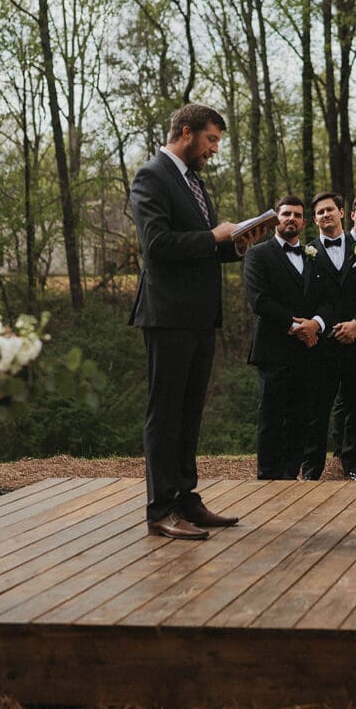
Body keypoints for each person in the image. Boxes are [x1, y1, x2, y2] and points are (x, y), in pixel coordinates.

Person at [129, 102, 260, 540]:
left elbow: (203, 249)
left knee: (189, 413)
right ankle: (161, 508)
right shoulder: (151, 176)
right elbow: (157, 245)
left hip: (201, 316)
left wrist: (236, 244)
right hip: (167, 315)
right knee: (165, 413)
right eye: (211, 139)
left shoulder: (194, 181)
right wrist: (212, 236)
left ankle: (186, 498)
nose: (214, 149)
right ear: (186, 132)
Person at [301, 192, 356, 481]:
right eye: (320, 212)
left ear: (342, 213)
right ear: (315, 219)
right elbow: (307, 297)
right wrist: (325, 325)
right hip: (322, 343)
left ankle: (353, 464)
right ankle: (312, 468)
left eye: (330, 209)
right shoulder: (307, 253)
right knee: (317, 407)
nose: (326, 215)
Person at [243, 195, 322, 479]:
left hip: (308, 349)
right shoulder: (258, 254)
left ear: (304, 222)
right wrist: (294, 325)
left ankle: (290, 475)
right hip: (273, 349)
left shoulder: (314, 254)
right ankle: (268, 476)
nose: (291, 219)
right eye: (286, 214)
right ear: (276, 218)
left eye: (297, 215)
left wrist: (315, 324)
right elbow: (259, 300)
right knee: (272, 417)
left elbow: (328, 298)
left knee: (301, 416)